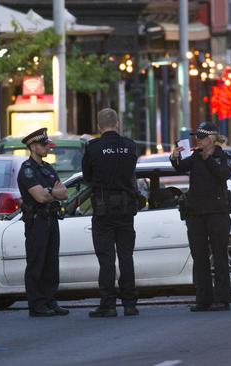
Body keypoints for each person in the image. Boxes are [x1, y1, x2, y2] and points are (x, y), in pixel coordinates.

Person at [169, 121, 231, 312]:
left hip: (217, 214)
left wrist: (209, 158)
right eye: (197, 136)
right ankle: (203, 299)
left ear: (211, 138)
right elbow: (180, 167)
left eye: (202, 136)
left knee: (220, 256)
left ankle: (222, 299)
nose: (198, 140)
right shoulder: (196, 157)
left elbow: (223, 174)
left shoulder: (223, 156)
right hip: (196, 214)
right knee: (200, 257)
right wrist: (174, 157)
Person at [82, 108, 139, 317]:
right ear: (117, 123)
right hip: (126, 209)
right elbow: (131, 171)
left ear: (99, 126)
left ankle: (108, 304)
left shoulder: (93, 148)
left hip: (104, 209)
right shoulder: (130, 146)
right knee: (126, 257)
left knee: (106, 259)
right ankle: (130, 304)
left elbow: (87, 176)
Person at [17, 128, 69, 317]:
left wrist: (51, 192)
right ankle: (36, 304)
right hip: (36, 221)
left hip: (51, 219)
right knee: (36, 262)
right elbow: (39, 197)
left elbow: (64, 193)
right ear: (33, 147)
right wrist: (52, 192)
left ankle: (50, 300)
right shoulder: (27, 170)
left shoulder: (47, 168)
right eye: (44, 145)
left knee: (51, 262)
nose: (47, 148)